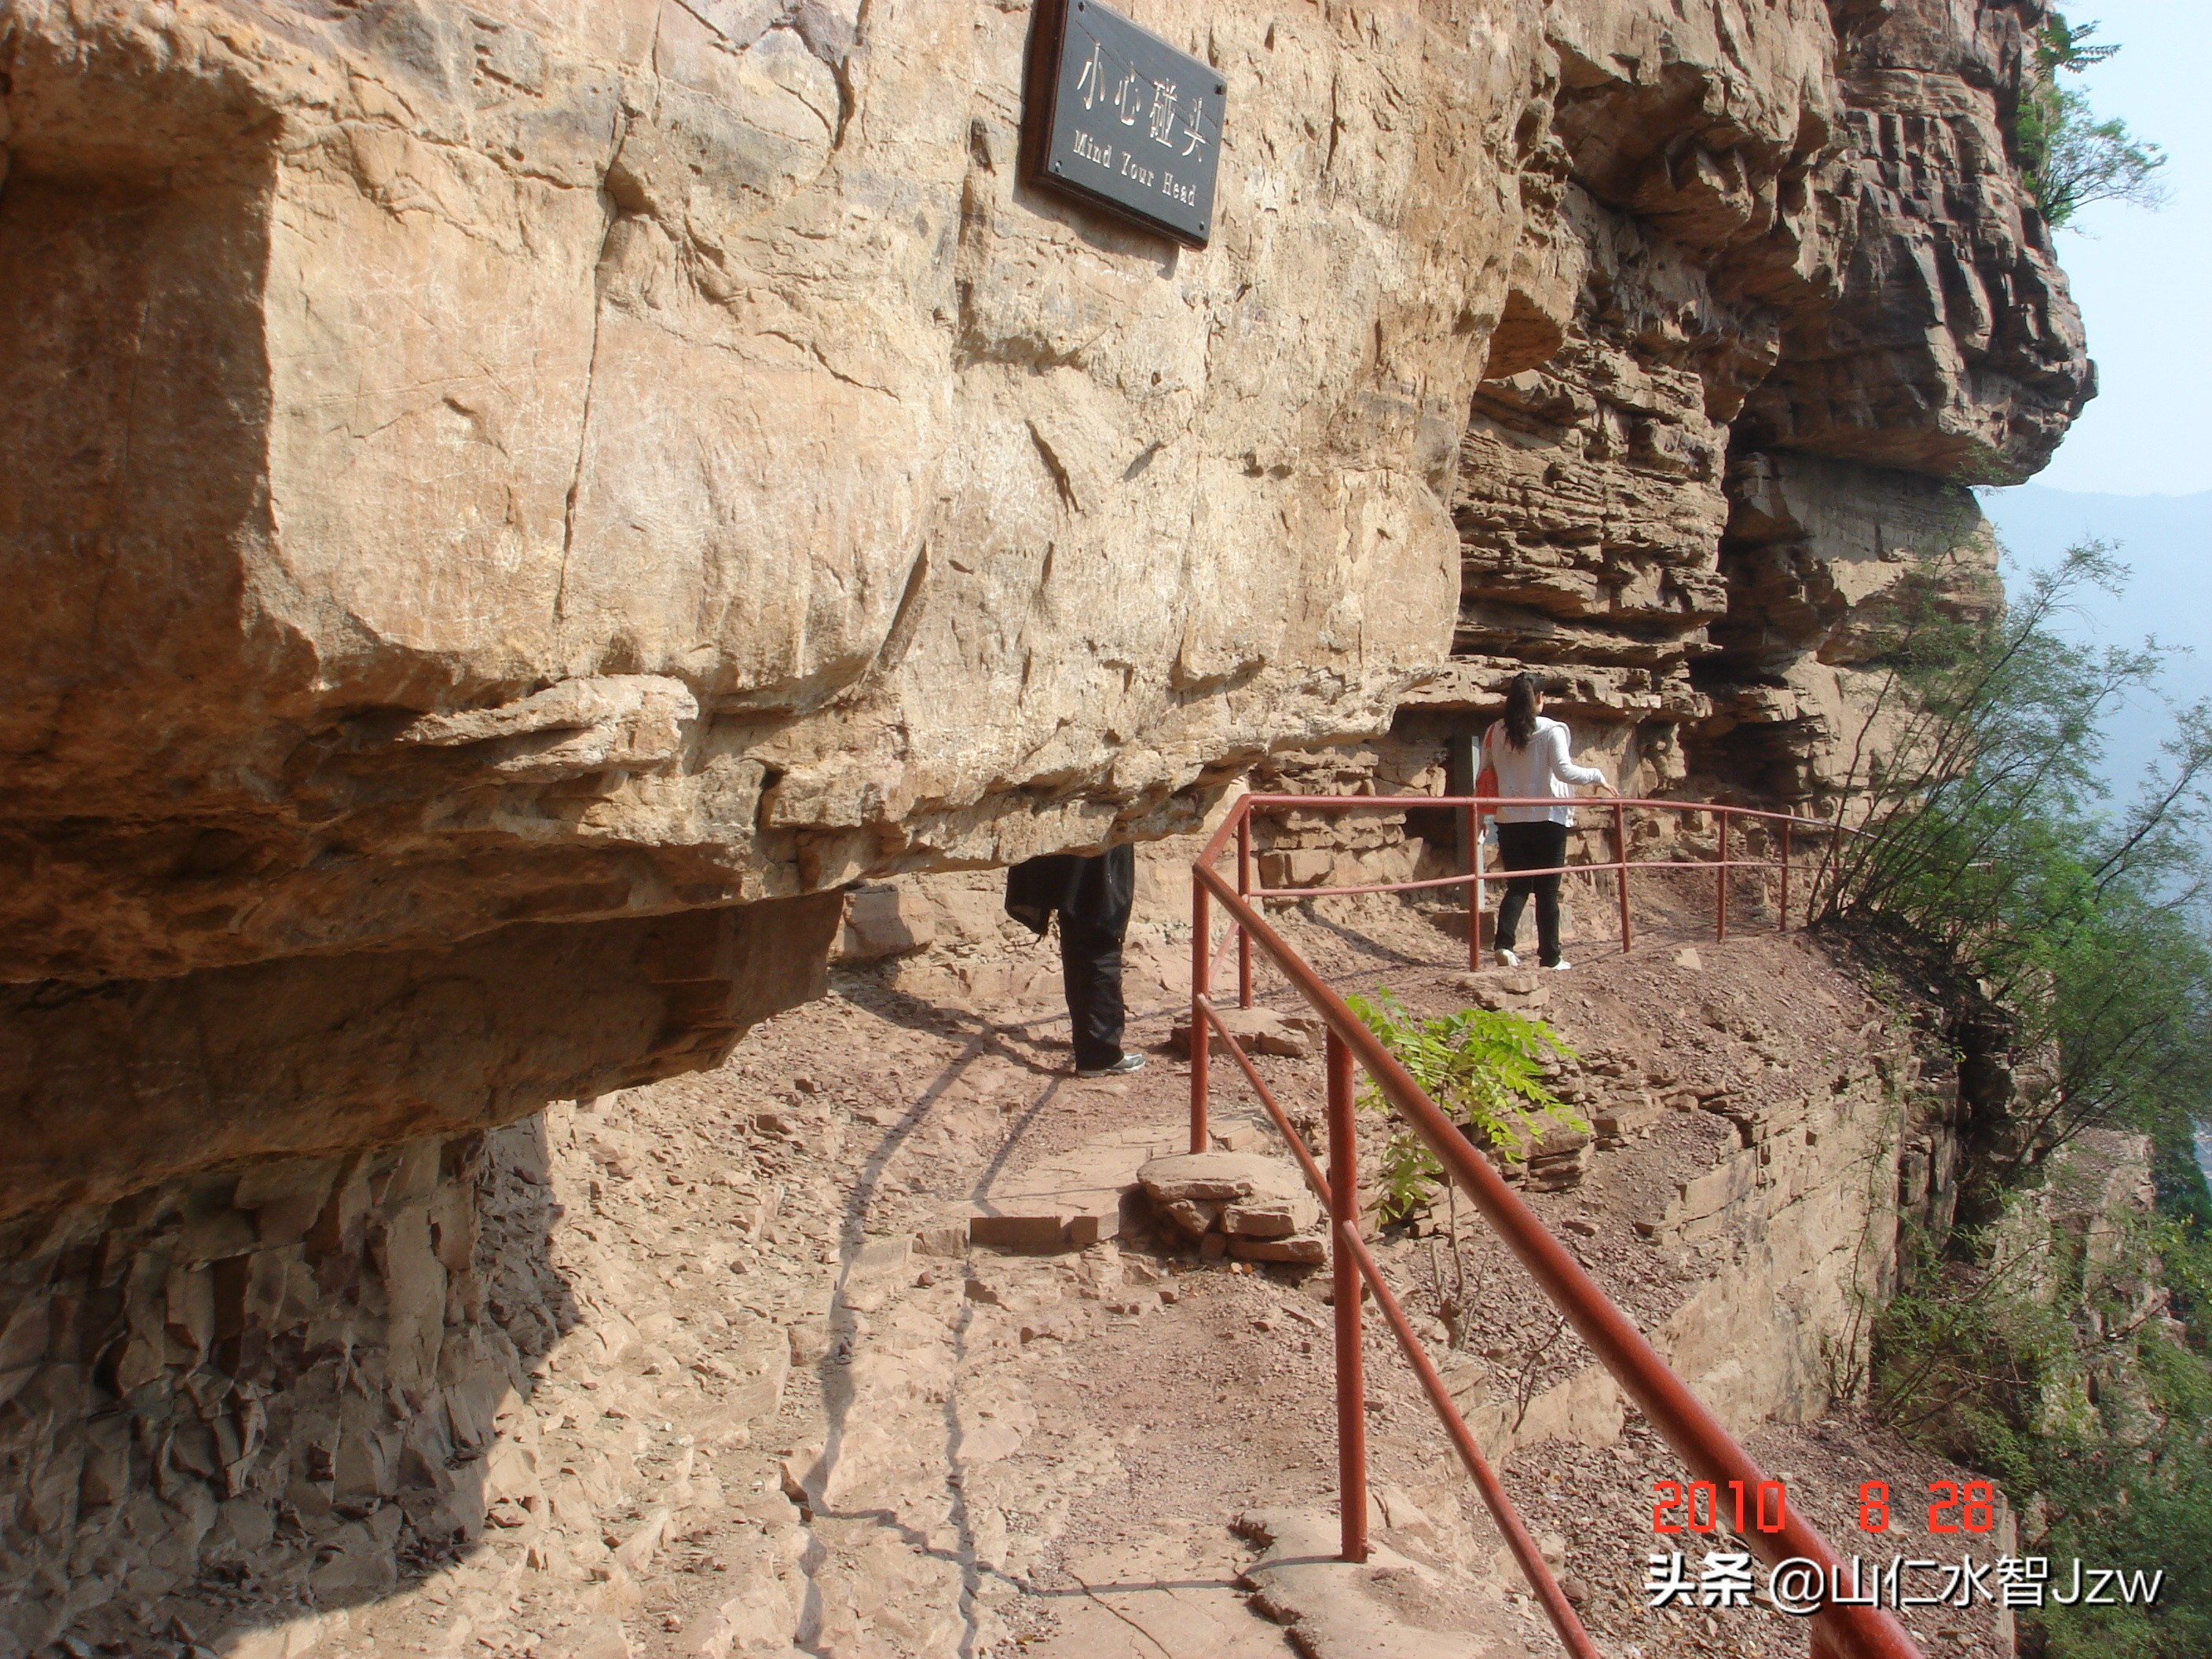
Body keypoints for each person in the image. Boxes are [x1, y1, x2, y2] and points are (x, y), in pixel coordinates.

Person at [1480, 673, 1613, 972]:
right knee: (1548, 891)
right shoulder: (1552, 730)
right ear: (1539, 698)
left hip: (1510, 818)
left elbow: (1485, 776)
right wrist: (1597, 776)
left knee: (1517, 887)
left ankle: (1504, 944)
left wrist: (1481, 817)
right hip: (1549, 819)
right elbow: (1565, 772)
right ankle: (1551, 958)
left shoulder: (1494, 732)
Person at [1005, 844, 1145, 1076]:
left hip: (1077, 851)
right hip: (1093, 853)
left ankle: (1094, 1048)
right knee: (1099, 932)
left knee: (1082, 931)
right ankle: (1099, 1054)